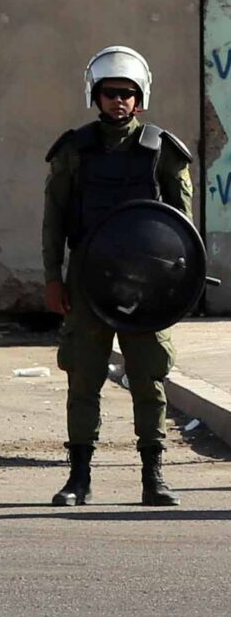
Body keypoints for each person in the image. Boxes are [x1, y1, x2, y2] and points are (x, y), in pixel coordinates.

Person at [41, 45, 193, 508]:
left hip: (147, 287)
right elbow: (55, 219)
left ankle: (154, 476)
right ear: (96, 95)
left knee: (149, 379)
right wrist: (53, 278)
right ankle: (79, 478)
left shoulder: (162, 152)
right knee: (83, 379)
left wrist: (178, 287)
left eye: (127, 94)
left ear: (140, 97)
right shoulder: (73, 151)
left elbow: (182, 228)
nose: (118, 101)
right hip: (89, 283)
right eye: (110, 93)